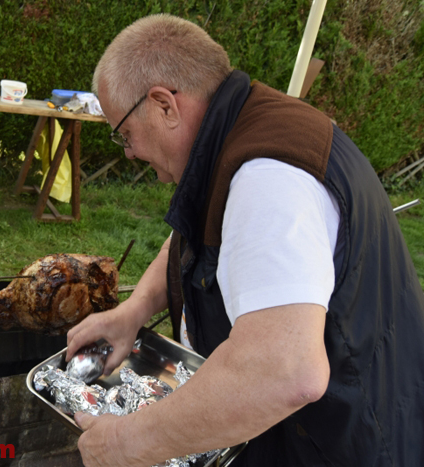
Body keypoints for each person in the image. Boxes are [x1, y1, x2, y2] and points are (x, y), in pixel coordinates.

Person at [65, 13, 424, 467]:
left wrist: (126, 442)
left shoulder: (267, 180)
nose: (131, 152)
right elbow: (190, 235)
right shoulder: (239, 132)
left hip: (348, 445)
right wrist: (133, 311)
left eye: (125, 134)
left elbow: (286, 374)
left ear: (164, 106)